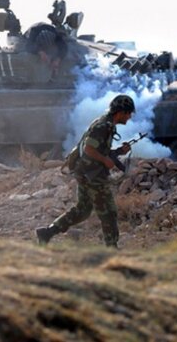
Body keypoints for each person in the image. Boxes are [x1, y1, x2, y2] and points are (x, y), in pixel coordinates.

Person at [35, 95, 135, 248]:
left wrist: (120, 151)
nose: (129, 117)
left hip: (85, 173)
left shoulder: (104, 123)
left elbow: (99, 149)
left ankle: (47, 233)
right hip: (92, 175)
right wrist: (105, 161)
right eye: (129, 113)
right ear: (121, 112)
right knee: (108, 211)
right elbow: (89, 149)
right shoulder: (104, 126)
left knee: (83, 210)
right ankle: (112, 248)